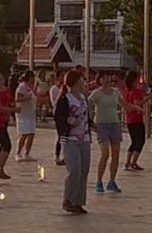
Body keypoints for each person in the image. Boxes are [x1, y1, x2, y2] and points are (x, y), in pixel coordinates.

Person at [55, 69, 90, 214]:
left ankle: (78, 201)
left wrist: (92, 124)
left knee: (84, 170)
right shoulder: (65, 99)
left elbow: (86, 115)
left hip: (85, 137)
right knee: (74, 169)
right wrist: (70, 121)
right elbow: (58, 117)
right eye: (82, 79)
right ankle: (68, 199)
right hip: (70, 138)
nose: (84, 82)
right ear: (76, 81)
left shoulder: (83, 97)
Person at [89, 71, 129, 193]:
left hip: (114, 124)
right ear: (99, 80)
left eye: (108, 77)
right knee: (105, 153)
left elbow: (124, 104)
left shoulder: (116, 92)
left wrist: (136, 108)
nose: (107, 80)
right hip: (101, 125)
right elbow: (87, 105)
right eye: (104, 78)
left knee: (115, 154)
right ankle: (99, 181)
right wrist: (90, 121)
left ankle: (112, 181)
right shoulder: (96, 93)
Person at [122, 70, 150, 172]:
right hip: (137, 119)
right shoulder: (136, 91)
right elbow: (138, 102)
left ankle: (128, 162)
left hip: (129, 119)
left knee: (134, 141)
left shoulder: (126, 91)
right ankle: (133, 162)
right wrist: (148, 98)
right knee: (140, 141)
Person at [14, 70, 38, 162]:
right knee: (24, 134)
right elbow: (17, 99)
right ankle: (18, 152)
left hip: (31, 114)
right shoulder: (22, 87)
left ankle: (27, 153)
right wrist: (26, 98)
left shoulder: (30, 87)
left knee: (31, 134)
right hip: (23, 114)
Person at [49, 71, 66, 165]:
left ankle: (64, 155)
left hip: (66, 115)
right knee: (60, 135)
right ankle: (57, 155)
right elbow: (54, 103)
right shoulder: (54, 89)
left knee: (64, 136)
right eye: (62, 76)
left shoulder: (66, 88)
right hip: (59, 115)